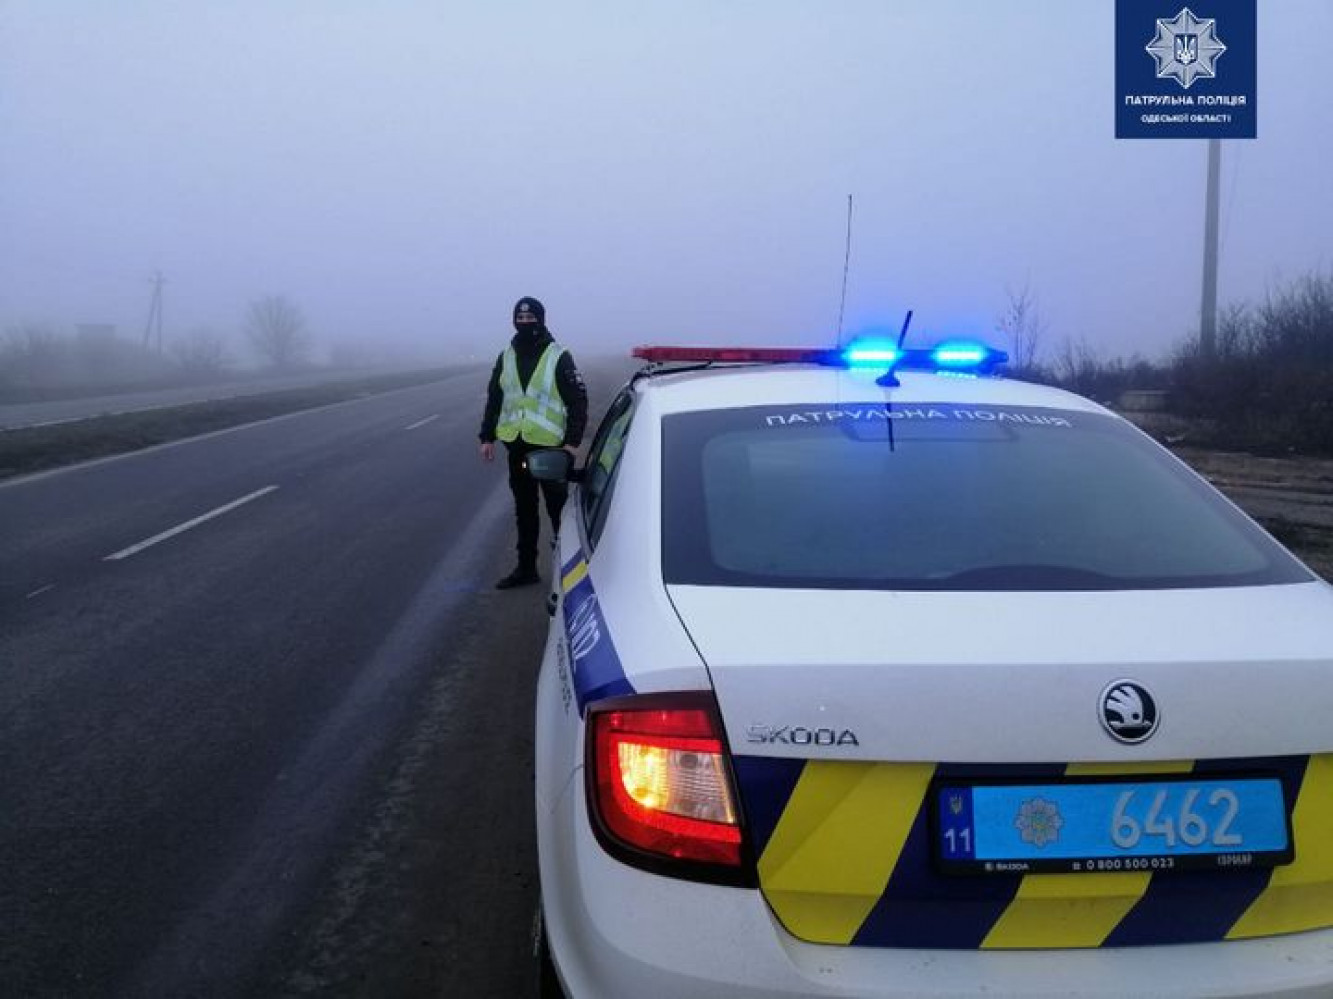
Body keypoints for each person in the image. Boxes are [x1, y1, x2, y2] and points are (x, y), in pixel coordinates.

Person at [479, 297, 588, 589]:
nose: (525, 323)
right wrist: (487, 436)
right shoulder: (506, 356)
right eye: (520, 318)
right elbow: (495, 399)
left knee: (559, 513)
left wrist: (572, 443)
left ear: (541, 319)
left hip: (550, 448)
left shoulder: (558, 355)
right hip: (517, 446)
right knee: (524, 511)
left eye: (530, 318)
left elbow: (578, 401)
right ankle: (526, 569)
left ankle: (571, 575)